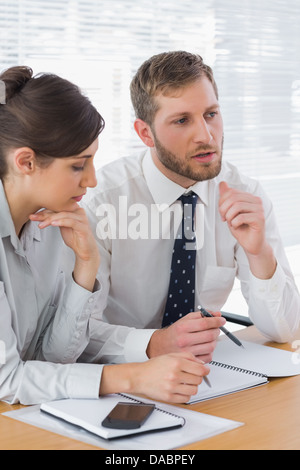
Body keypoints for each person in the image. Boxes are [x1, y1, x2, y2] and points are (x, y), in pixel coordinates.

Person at [0, 65, 209, 406]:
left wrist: (86, 266)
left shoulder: (54, 223)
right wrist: (134, 376)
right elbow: (7, 379)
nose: (92, 180)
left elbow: (53, 358)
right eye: (78, 165)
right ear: (26, 162)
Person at [80, 51, 300, 366]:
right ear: (145, 133)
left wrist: (259, 253)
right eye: (182, 120)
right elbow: (74, 336)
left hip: (204, 377)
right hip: (120, 379)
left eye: (211, 114)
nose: (206, 135)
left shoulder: (245, 195)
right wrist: (155, 343)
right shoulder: (103, 202)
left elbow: (285, 329)